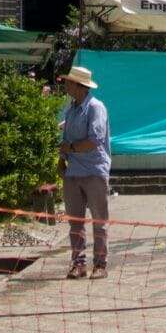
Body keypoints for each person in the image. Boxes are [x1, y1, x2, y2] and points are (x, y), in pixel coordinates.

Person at [57, 63, 111, 281]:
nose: (65, 85)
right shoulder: (70, 109)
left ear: (78, 85)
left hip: (94, 170)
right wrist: (62, 160)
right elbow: (65, 138)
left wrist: (69, 149)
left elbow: (95, 140)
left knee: (99, 219)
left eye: (68, 82)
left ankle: (100, 264)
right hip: (74, 172)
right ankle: (79, 263)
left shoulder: (95, 108)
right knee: (75, 221)